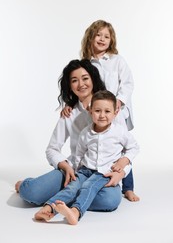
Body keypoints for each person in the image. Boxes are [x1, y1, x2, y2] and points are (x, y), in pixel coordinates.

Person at [15, 59, 128, 213]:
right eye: (74, 80)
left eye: (85, 78)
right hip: (74, 171)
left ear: (93, 79)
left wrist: (121, 172)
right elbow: (52, 149)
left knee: (109, 200)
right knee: (31, 193)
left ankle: (61, 198)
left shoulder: (111, 107)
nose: (81, 84)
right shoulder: (68, 113)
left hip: (104, 174)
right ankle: (29, 185)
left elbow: (128, 150)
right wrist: (65, 166)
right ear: (70, 85)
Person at [60, 20, 139, 201]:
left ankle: (128, 187)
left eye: (106, 36)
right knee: (97, 142)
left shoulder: (117, 61)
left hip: (115, 110)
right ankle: (89, 177)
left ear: (112, 40)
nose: (102, 39)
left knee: (122, 145)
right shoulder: (86, 63)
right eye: (98, 35)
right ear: (90, 38)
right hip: (97, 112)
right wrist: (69, 104)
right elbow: (81, 86)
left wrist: (119, 100)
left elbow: (128, 83)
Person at [34, 90, 139, 225]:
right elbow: (79, 154)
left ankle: (75, 212)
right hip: (84, 170)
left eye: (107, 111)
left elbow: (134, 147)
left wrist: (124, 160)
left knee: (88, 187)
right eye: (97, 111)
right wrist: (76, 172)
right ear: (90, 111)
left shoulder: (119, 132)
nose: (102, 115)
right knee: (71, 188)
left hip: (104, 172)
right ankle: (48, 209)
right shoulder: (86, 133)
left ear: (115, 113)